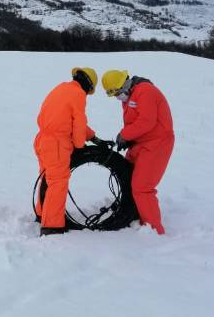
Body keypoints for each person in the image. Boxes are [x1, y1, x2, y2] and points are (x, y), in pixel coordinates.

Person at [33, 67, 106, 236]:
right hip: (57, 144)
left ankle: (42, 215)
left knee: (47, 178)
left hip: (42, 139)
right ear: (88, 86)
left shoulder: (61, 88)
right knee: (58, 182)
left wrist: (94, 138)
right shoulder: (79, 94)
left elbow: (68, 119)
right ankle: (52, 226)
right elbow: (79, 122)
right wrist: (80, 147)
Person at [101, 70, 174, 235]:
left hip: (157, 143)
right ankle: (133, 215)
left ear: (125, 84)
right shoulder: (129, 96)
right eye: (114, 95)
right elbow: (135, 121)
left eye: (118, 93)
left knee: (142, 186)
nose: (117, 97)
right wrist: (129, 140)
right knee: (127, 176)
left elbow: (146, 121)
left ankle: (153, 229)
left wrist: (125, 135)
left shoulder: (146, 91)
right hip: (140, 142)